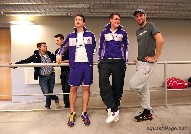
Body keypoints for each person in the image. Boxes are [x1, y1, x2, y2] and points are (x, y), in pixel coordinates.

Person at [56, 14, 96, 127]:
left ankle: (84, 112)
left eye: (80, 20)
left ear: (83, 23)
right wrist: (59, 55)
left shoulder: (90, 35)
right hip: (75, 66)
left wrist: (89, 58)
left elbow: (94, 47)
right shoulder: (70, 36)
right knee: (73, 88)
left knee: (86, 88)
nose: (78, 21)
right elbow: (63, 47)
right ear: (75, 22)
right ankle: (72, 113)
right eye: (76, 19)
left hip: (87, 65)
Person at [130, 9, 164, 122]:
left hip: (147, 64)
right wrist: (138, 60)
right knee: (144, 90)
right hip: (140, 63)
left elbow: (160, 40)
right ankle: (147, 113)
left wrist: (155, 58)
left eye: (141, 15)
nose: (139, 18)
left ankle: (147, 111)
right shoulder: (138, 31)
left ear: (145, 16)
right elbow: (143, 46)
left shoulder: (151, 26)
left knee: (134, 85)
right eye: (137, 16)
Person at [98, 13, 128, 123]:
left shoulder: (123, 33)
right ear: (110, 20)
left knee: (118, 86)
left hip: (118, 62)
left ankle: (113, 110)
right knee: (103, 83)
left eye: (119, 19)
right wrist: (100, 61)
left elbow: (125, 49)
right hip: (106, 61)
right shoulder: (104, 32)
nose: (118, 21)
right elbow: (101, 47)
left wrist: (125, 62)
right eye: (115, 19)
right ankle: (113, 108)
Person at [12, 42, 60, 109]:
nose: (46, 47)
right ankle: (56, 98)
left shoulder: (49, 54)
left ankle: (48, 105)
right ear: (39, 48)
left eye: (46, 46)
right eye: (44, 46)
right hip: (43, 77)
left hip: (51, 75)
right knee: (46, 93)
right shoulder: (35, 56)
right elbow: (25, 61)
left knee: (50, 91)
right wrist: (14, 65)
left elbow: (57, 60)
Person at [54, 34, 70, 108]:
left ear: (62, 40)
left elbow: (72, 60)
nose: (56, 42)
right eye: (55, 41)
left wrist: (63, 61)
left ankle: (69, 103)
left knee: (67, 88)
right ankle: (67, 104)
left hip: (70, 71)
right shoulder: (57, 51)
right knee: (64, 88)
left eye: (57, 40)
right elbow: (58, 62)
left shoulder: (69, 49)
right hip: (63, 72)